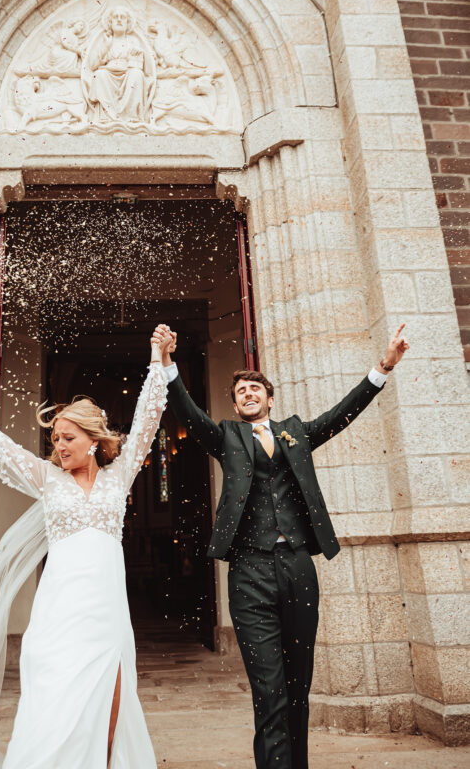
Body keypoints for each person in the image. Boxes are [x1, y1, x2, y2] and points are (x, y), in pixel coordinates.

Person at [0, 329, 170, 769]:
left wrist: (156, 359)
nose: (59, 446)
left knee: (111, 703)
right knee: (56, 693)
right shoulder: (48, 480)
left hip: (107, 613)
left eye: (68, 438)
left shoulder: (118, 476)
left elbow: (147, 419)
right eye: (56, 439)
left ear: (92, 439)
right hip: (60, 609)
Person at [151, 323, 409, 769]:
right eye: (241, 392)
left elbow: (343, 412)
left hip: (297, 569)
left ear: (270, 399)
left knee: (297, 687)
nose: (248, 393)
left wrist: (383, 366)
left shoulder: (296, 433)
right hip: (249, 573)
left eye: (256, 388)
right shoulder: (226, 437)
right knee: (269, 689)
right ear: (235, 405)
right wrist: (168, 362)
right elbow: (188, 412)